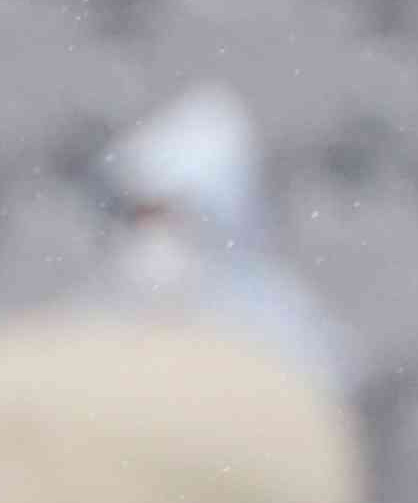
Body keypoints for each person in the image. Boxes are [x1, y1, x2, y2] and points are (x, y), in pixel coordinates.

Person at [97, 84, 349, 398]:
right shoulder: (100, 328)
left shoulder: (278, 333)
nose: (153, 239)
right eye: (140, 218)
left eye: (166, 218)